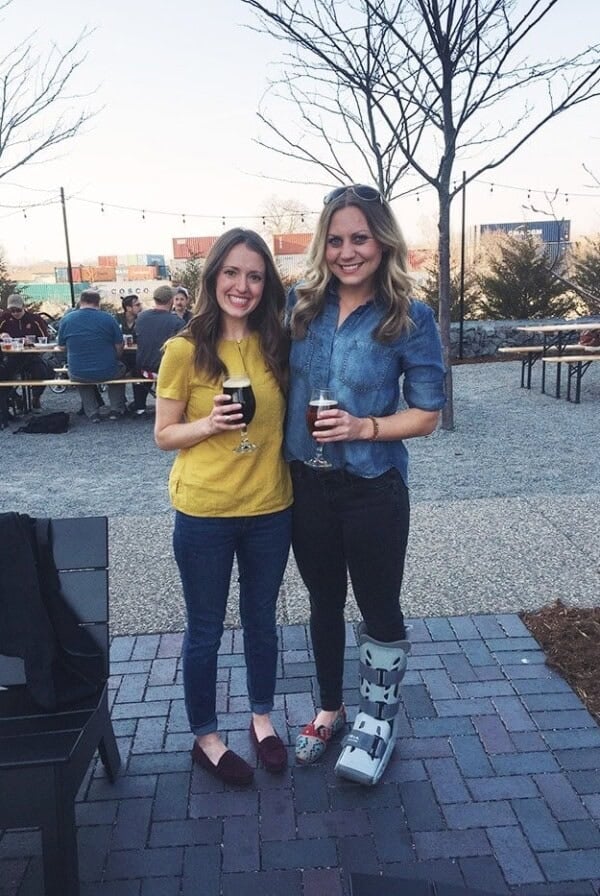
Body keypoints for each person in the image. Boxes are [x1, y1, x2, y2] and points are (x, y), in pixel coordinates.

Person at [285, 184, 446, 786]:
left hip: (373, 487)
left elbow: (426, 414)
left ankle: (378, 720)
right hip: (306, 486)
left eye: (359, 239)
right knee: (322, 600)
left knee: (378, 604)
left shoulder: (410, 316)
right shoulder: (299, 308)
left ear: (382, 242)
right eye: (335, 240)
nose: (346, 252)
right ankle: (331, 708)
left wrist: (364, 426)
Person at [154, 228, 292, 786]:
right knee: (205, 629)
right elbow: (164, 434)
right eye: (232, 273)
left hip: (269, 508)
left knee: (262, 621)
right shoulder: (184, 349)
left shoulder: (278, 343)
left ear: (266, 283)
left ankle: (262, 719)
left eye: (255, 275)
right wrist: (207, 424)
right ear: (213, 278)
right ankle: (206, 737)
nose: (243, 285)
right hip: (205, 512)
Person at [57, 289, 127, 422]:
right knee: (121, 369)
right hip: (107, 370)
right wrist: (116, 357)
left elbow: (61, 346)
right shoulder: (108, 318)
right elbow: (119, 345)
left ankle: (92, 412)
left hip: (78, 372)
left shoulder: (67, 319)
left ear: (80, 301)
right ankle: (115, 409)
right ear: (98, 303)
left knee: (81, 376)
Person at [131, 285, 184, 415]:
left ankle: (140, 406)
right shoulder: (177, 322)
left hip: (144, 368)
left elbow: (135, 338)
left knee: (135, 366)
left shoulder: (141, 317)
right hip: (167, 368)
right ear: (171, 300)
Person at [0, 294, 50, 413]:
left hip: (31, 355)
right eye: (12, 310)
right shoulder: (4, 319)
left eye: (18, 310)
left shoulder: (34, 319)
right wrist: (2, 335)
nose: (15, 313)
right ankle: (15, 398)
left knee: (42, 372)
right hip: (12, 356)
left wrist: (33, 342)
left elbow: (45, 338)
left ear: (23, 307)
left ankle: (35, 397)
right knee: (3, 374)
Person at [116, 294, 143, 377]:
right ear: (128, 308)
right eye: (137, 305)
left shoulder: (142, 319)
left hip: (137, 356)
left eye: (140, 304)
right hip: (121, 355)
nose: (140, 307)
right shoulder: (117, 319)